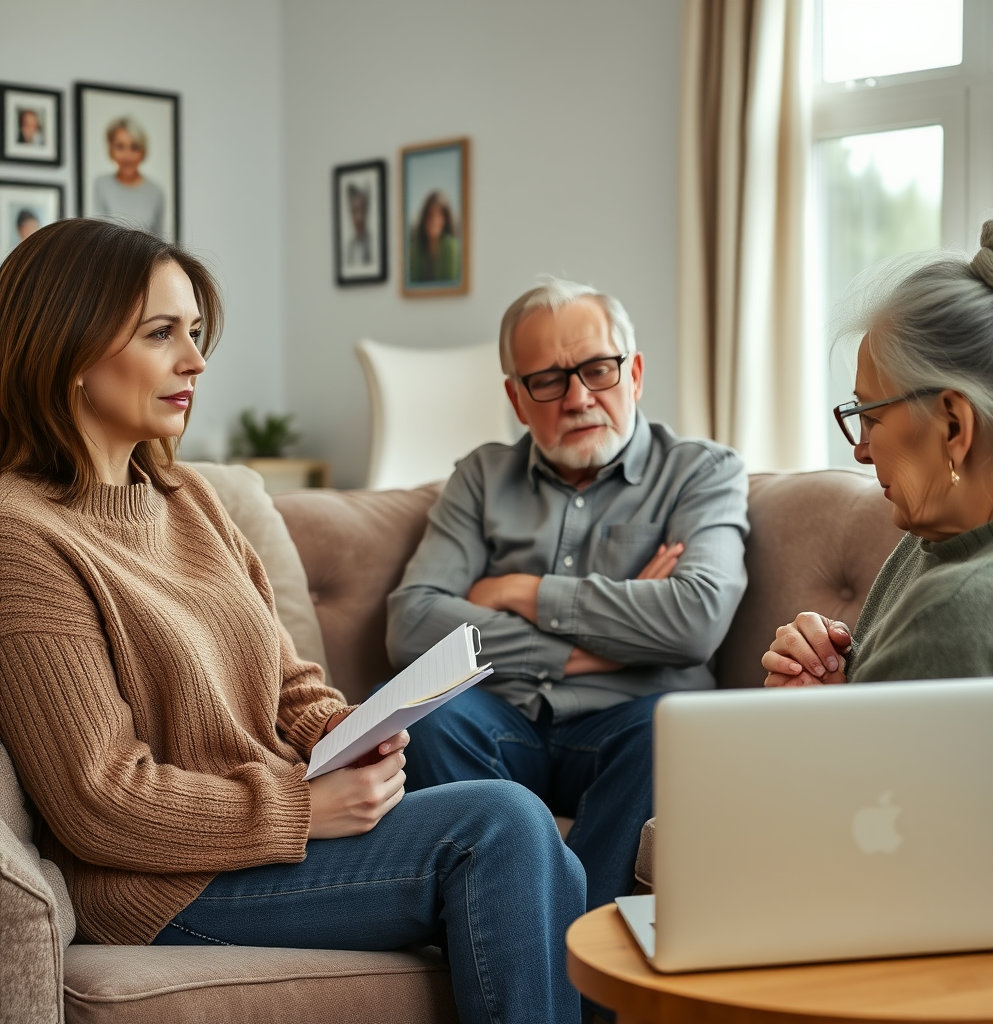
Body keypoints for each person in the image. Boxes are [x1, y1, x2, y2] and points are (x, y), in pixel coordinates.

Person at [0, 219, 586, 1024]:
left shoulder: (192, 500)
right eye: (162, 333)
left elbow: (290, 686)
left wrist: (351, 731)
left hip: (268, 839)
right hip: (161, 882)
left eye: (197, 333)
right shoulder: (22, 535)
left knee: (550, 858)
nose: (196, 361)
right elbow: (101, 800)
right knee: (505, 825)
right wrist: (303, 806)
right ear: (65, 350)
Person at [386, 277, 750, 910]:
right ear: (516, 398)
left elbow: (695, 619)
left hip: (632, 721)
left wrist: (520, 591)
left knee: (673, 730)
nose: (579, 398)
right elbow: (412, 623)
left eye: (599, 369)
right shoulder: (480, 478)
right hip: (504, 721)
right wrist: (600, 644)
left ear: (634, 373)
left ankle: (570, 962)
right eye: (549, 381)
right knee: (432, 719)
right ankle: (507, 941)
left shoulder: (702, 471)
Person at [763, 203, 993, 690]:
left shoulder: (956, 611)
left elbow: (848, 769)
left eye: (871, 416)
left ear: (952, 425)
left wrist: (798, 721)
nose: (861, 452)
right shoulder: (930, 543)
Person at [93, 116, 165, 238]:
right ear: (111, 151)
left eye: (134, 147)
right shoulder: (102, 185)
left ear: (142, 152)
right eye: (120, 147)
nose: (127, 155)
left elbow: (159, 240)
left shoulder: (156, 192)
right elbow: (97, 235)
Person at [408, 189, 460, 283]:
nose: (434, 220)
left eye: (439, 215)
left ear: (446, 220)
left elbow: (450, 285)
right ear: (424, 218)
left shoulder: (451, 247)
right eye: (430, 215)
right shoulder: (416, 249)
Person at [345, 183, 374, 266]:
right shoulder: (349, 246)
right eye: (354, 211)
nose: (358, 217)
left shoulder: (373, 242)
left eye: (362, 210)